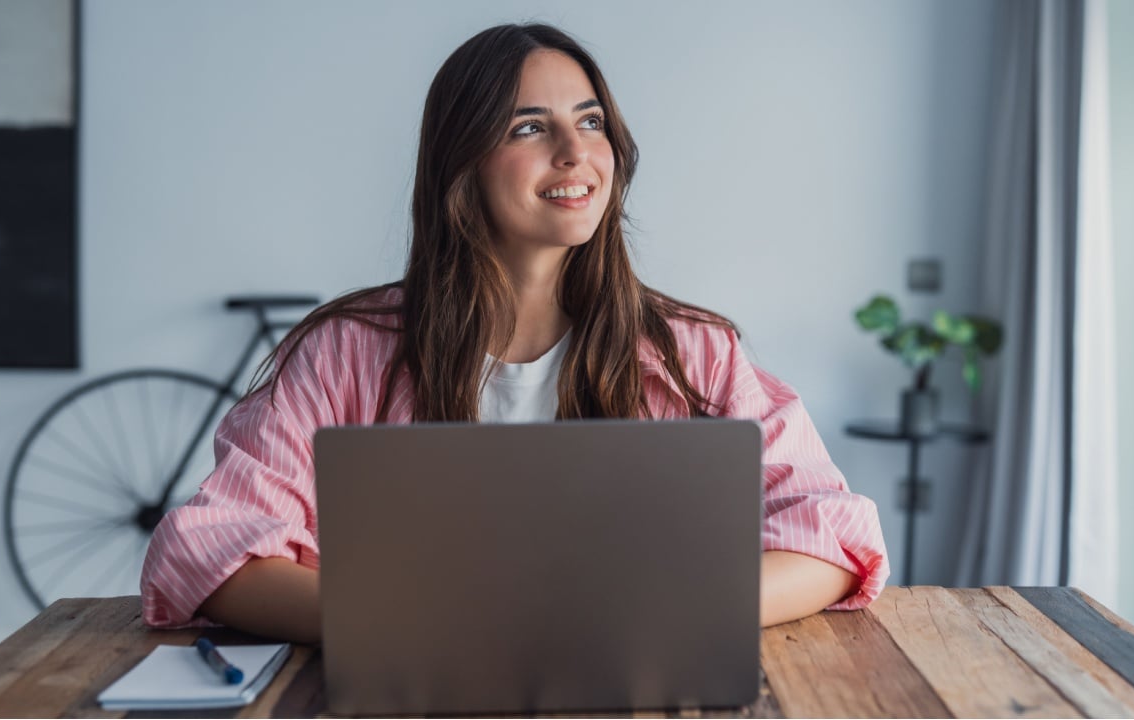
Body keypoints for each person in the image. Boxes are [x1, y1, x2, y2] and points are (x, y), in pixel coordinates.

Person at [141, 23, 889, 644]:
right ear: (460, 163)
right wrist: (425, 627)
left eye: (590, 121)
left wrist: (660, 613)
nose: (576, 153)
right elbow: (211, 548)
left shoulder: (692, 351)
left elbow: (831, 533)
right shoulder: (344, 351)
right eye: (530, 127)